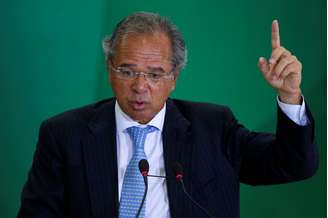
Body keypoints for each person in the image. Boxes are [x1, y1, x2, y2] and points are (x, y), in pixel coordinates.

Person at [18, 12, 318, 218]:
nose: (140, 86)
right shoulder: (64, 134)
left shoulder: (213, 127)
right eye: (127, 71)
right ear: (110, 70)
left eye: (154, 74)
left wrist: (290, 95)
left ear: (174, 78)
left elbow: (294, 164)